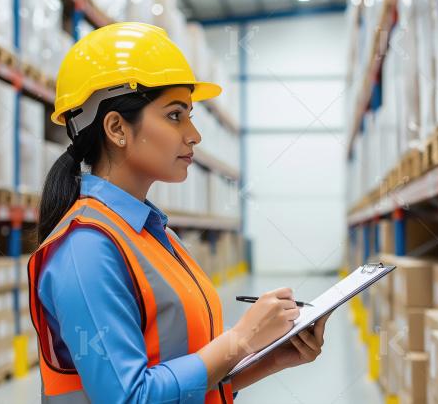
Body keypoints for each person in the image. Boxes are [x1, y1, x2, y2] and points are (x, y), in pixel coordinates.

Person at [27, 22, 330, 404]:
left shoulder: (156, 235)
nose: (194, 134)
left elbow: (174, 377)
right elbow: (130, 397)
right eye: (175, 115)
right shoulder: (85, 248)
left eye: (190, 115)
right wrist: (239, 340)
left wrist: (267, 358)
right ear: (117, 128)